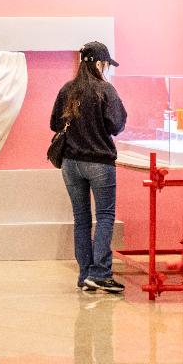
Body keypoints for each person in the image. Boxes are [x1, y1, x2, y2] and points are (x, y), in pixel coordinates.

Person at [50, 41, 127, 294]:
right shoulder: (105, 90)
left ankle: (85, 275)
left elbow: (54, 124)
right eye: (106, 64)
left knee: (81, 219)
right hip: (99, 163)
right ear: (98, 64)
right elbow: (116, 125)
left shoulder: (67, 90)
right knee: (104, 216)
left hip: (70, 164)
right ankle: (100, 274)